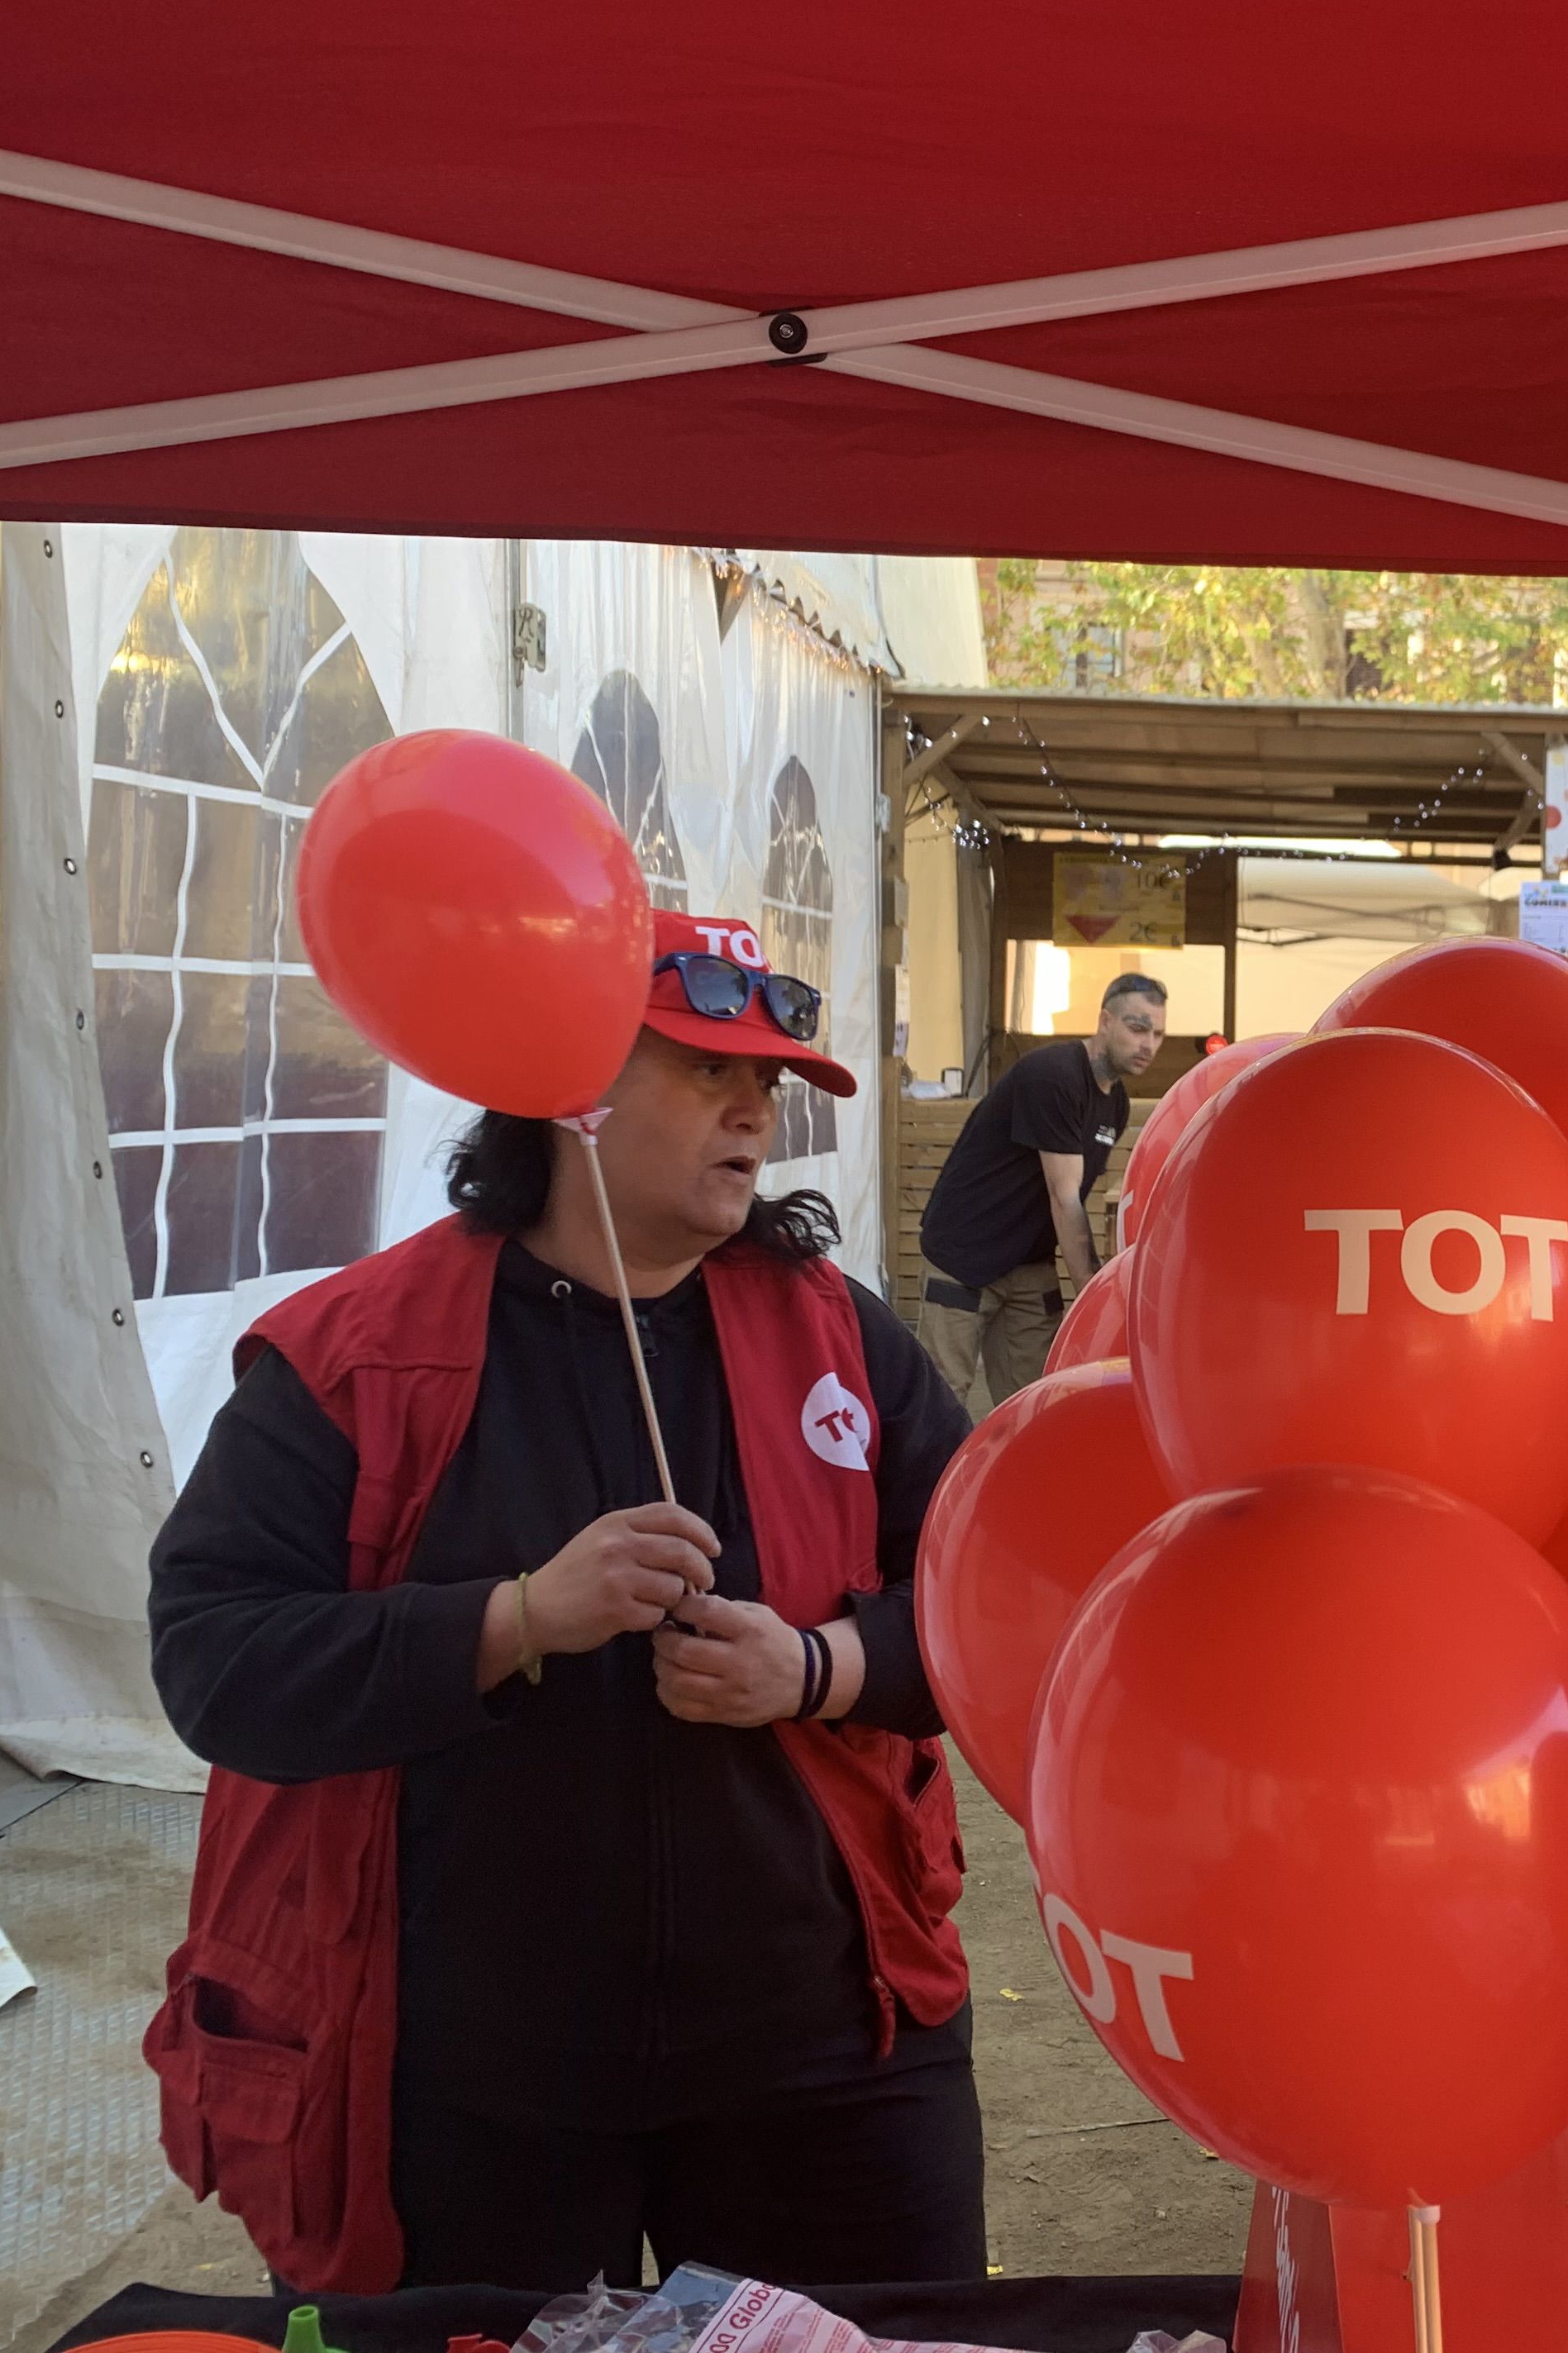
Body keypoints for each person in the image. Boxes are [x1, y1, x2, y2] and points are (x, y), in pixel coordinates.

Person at [142, 912, 980, 2296]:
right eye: (707, 1069)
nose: (753, 1111)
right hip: (466, 2081)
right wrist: (516, 1616)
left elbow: (994, 1605)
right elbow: (216, 1663)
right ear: (569, 1091)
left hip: (826, 2056)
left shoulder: (843, 1337)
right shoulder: (353, 1355)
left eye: (768, 1083)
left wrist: (820, 1664)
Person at [913, 970, 1163, 1406]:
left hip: (1029, 1264)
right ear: (1105, 1021)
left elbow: (1077, 1199)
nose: (1149, 1044)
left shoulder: (1116, 1104)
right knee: (941, 1402)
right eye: (1137, 1027)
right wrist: (1094, 1292)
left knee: (1037, 1403)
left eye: (1158, 1033)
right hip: (965, 1253)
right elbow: (1064, 1197)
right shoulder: (1054, 1075)